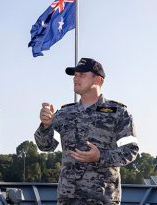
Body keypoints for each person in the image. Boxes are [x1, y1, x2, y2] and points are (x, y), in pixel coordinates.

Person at [34, 57, 139, 205]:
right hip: (68, 198)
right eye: (75, 75)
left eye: (82, 75)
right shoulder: (64, 114)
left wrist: (100, 156)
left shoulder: (118, 113)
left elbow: (131, 150)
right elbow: (46, 146)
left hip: (102, 198)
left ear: (98, 80)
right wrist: (46, 125)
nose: (75, 79)